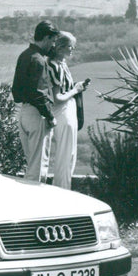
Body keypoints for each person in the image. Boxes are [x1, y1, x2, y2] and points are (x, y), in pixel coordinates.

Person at [11, 21, 59, 181]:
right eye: (52, 41)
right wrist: (50, 115)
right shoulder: (38, 60)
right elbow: (39, 94)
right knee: (38, 168)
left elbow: (16, 90)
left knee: (31, 164)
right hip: (37, 114)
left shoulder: (25, 55)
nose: (52, 45)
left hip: (24, 112)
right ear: (46, 38)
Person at [48, 31, 89, 189]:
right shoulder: (54, 66)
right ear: (60, 47)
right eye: (71, 46)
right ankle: (62, 190)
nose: (73, 50)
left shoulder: (61, 64)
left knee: (70, 155)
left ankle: (64, 188)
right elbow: (57, 97)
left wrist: (76, 87)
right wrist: (76, 90)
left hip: (68, 109)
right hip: (62, 111)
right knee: (65, 157)